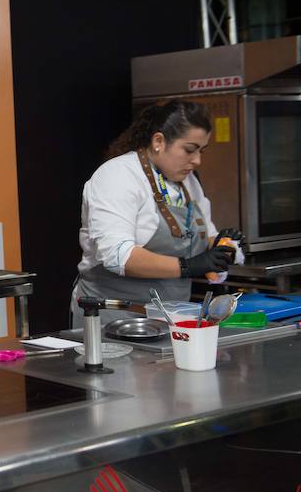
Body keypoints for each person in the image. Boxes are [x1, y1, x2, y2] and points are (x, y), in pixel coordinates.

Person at [70, 100, 243, 327]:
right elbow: (119, 257)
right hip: (112, 320)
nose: (197, 161)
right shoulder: (118, 176)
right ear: (159, 141)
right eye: (189, 150)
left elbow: (205, 237)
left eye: (201, 151)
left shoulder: (188, 183)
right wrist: (190, 266)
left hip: (171, 319)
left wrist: (220, 250)